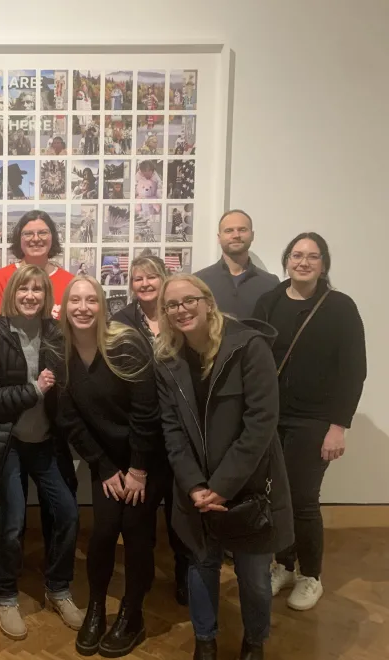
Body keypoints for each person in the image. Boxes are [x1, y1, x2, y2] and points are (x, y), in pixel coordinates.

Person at [154, 273, 293, 660]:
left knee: (253, 578)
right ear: (165, 313)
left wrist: (224, 484)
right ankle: (205, 641)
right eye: (172, 305)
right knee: (201, 566)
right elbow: (172, 431)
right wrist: (195, 485)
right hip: (196, 491)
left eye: (189, 300)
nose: (181, 310)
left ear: (208, 301)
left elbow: (261, 423)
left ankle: (254, 641)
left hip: (248, 486)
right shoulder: (166, 360)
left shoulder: (249, 346)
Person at [0, 265, 82, 640]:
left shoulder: (55, 332)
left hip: (46, 442)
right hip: (8, 444)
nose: (30, 295)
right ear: (12, 293)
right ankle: (6, 594)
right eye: (23, 289)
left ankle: (58, 588)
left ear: (46, 296)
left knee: (66, 512)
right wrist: (32, 391)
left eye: (37, 290)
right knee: (12, 523)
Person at [253, 232, 366, 612]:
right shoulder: (267, 303)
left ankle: (311, 575)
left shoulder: (340, 308)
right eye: (297, 255)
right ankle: (284, 565)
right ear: (286, 260)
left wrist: (338, 426)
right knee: (275, 497)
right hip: (271, 418)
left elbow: (353, 372)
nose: (303, 262)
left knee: (302, 500)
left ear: (323, 263)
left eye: (312, 256)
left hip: (314, 420)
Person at [56, 275, 162, 657]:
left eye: (91, 300)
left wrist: (137, 469)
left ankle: (133, 615)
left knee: (135, 534)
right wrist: (101, 466)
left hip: (145, 456)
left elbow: (146, 413)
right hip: (106, 461)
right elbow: (69, 419)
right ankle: (97, 609)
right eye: (75, 301)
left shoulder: (125, 344)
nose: (83, 307)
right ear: (65, 308)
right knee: (102, 534)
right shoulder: (60, 350)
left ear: (103, 306)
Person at [111, 255, 190, 606]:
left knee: (182, 514)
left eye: (151, 278)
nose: (144, 284)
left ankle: (185, 576)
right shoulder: (121, 321)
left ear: (164, 279)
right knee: (138, 517)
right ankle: (139, 584)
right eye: (137, 279)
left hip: (182, 434)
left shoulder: (179, 316)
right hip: (140, 435)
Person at [0, 209, 74, 335]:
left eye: (43, 233)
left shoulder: (70, 282)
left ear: (53, 237)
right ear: (19, 239)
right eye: (28, 234)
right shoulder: (0, 279)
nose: (36, 239)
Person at [194, 210, 279, 318]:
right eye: (229, 230)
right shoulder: (199, 281)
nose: (236, 235)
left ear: (252, 235)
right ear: (219, 238)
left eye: (242, 230)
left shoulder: (271, 284)